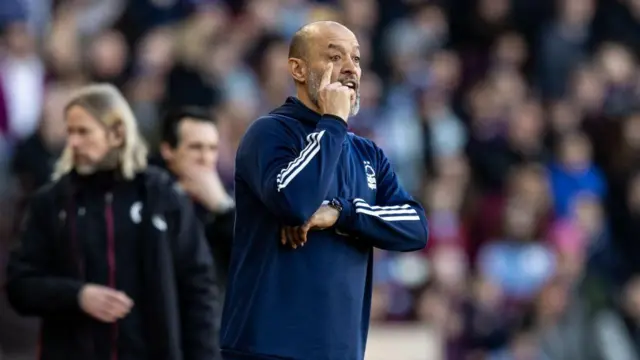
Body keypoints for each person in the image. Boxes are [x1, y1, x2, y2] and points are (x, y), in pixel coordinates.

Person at [220, 21, 429, 360]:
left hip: (339, 350)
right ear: (298, 69)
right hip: (265, 349)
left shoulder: (368, 153)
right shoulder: (270, 133)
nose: (350, 68)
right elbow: (293, 202)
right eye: (335, 56)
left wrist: (341, 212)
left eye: (357, 59)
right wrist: (332, 122)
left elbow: (416, 226)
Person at [5, 84, 220, 360]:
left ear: (117, 133)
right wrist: (77, 296)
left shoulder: (160, 196)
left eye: (83, 132)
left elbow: (198, 290)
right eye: (70, 131)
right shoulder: (52, 202)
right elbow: (19, 284)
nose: (73, 142)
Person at [158, 106, 235, 286]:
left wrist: (223, 209)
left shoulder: (230, 201)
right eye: (195, 147)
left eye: (212, 148)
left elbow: (253, 261)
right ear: (168, 150)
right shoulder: (149, 195)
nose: (205, 158)